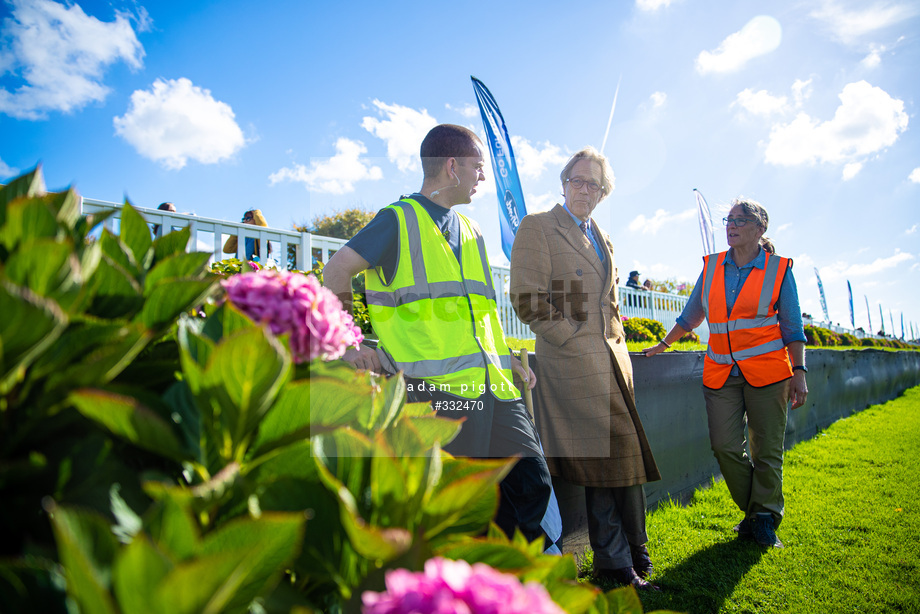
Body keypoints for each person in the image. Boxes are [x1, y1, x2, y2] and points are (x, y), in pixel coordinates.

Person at [323, 124, 552, 544]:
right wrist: (349, 344)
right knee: (461, 506)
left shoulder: (472, 230)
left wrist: (507, 357)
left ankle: (509, 580)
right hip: (436, 393)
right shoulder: (397, 221)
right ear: (451, 167)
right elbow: (336, 270)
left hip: (495, 387)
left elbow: (480, 312)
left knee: (531, 481)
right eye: (477, 167)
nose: (482, 176)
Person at [509, 147, 661, 591]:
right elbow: (527, 297)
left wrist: (617, 346)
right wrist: (571, 340)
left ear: (603, 193)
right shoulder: (538, 226)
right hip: (571, 365)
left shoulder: (604, 238)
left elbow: (610, 305)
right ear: (563, 183)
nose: (584, 189)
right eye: (577, 180)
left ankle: (633, 551)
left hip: (614, 364)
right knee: (601, 463)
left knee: (623, 460)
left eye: (594, 184)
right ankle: (616, 564)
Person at [643, 197, 808, 549]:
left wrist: (800, 371)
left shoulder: (779, 269)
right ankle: (756, 512)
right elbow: (691, 315)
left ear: (760, 228)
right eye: (728, 219)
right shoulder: (713, 266)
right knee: (724, 447)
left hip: (769, 373)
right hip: (721, 372)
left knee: (767, 450)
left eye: (740, 220)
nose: (731, 225)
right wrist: (664, 344)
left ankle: (763, 519)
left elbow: (792, 327)